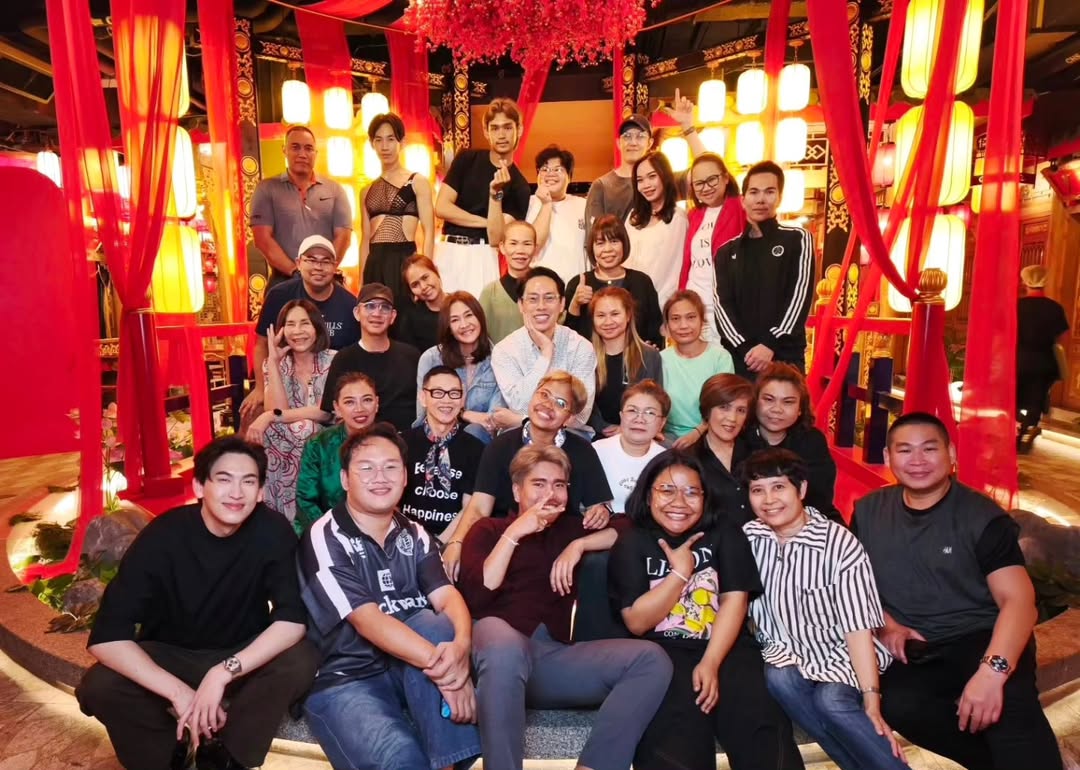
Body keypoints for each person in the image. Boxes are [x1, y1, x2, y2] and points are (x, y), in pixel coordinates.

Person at [76, 437, 318, 770]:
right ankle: (167, 757)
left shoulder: (272, 531)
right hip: (171, 653)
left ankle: (227, 758)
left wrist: (222, 673)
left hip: (238, 652)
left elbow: (291, 620)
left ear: (261, 492)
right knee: (100, 685)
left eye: (248, 482)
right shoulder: (163, 536)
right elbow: (107, 637)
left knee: (300, 659)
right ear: (199, 486)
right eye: (224, 479)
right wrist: (179, 693)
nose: (237, 493)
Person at [852, 412, 1063, 770]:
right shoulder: (869, 511)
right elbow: (853, 585)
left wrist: (992, 672)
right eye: (905, 450)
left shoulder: (981, 517)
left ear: (951, 454)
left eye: (929, 449)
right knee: (900, 704)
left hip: (981, 636)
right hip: (915, 646)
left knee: (1008, 708)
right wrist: (887, 626)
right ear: (888, 457)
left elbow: (1019, 601)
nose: (917, 460)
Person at [458, 444, 673, 770]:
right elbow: (479, 594)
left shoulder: (571, 528)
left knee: (651, 660)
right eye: (539, 484)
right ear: (516, 491)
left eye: (559, 485)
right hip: (496, 653)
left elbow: (629, 528)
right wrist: (516, 531)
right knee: (502, 643)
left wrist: (579, 544)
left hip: (549, 658)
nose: (550, 493)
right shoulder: (488, 530)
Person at [297, 423, 481, 770]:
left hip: (408, 667)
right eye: (366, 468)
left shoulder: (415, 532)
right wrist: (448, 671)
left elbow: (447, 596)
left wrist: (461, 649)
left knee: (434, 623)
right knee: (401, 759)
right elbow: (367, 620)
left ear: (405, 476)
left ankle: (450, 763)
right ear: (345, 479)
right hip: (347, 677)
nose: (380, 477)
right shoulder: (325, 536)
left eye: (391, 467)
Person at [608, 451, 803, 770]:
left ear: (705, 496)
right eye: (667, 490)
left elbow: (735, 600)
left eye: (691, 492)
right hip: (661, 654)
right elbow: (637, 622)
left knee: (760, 725)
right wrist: (680, 574)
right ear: (648, 494)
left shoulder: (724, 531)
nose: (679, 502)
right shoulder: (633, 541)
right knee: (675, 740)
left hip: (726, 648)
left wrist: (711, 662)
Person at [742, 449, 906, 770]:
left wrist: (872, 700)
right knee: (778, 678)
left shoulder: (838, 544)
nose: (769, 500)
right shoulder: (750, 538)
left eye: (779, 487)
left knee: (830, 701)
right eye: (757, 490)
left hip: (842, 654)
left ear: (801, 489)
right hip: (787, 654)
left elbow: (858, 628)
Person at [441, 371, 613, 582]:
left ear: (569, 418)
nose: (548, 405)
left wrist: (600, 511)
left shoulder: (582, 450)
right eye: (544, 394)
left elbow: (598, 507)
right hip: (505, 537)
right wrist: (456, 542)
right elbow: (479, 507)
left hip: (558, 543)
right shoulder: (501, 446)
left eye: (560, 403)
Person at [240, 234, 359, 422]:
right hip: (283, 377)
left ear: (335, 266)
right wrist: (260, 388)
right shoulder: (279, 296)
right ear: (299, 263)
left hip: (329, 385)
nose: (318, 267)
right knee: (250, 413)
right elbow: (262, 344)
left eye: (325, 261)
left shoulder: (349, 304)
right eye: (311, 260)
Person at [715, 160, 814, 378]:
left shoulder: (797, 239)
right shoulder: (726, 252)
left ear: (779, 197)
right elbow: (722, 307)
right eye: (754, 192)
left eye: (769, 192)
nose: (761, 199)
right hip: (740, 357)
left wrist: (769, 344)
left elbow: (799, 298)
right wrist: (746, 349)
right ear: (743, 200)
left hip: (784, 355)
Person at [245, 299, 335, 524]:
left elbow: (325, 413)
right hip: (288, 437)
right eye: (291, 324)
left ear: (316, 327)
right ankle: (277, 516)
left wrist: (270, 416)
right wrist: (274, 363)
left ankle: (304, 514)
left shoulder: (334, 360)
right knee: (274, 431)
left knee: (306, 428)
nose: (297, 331)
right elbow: (277, 410)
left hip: (327, 432)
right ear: (281, 331)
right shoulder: (275, 364)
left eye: (304, 323)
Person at [434, 98, 531, 298]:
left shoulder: (520, 186)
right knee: (441, 313)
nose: (501, 135)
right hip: (448, 249)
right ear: (486, 132)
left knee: (480, 313)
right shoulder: (467, 159)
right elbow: (441, 207)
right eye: (495, 128)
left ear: (519, 129)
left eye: (507, 127)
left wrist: (495, 195)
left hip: (484, 253)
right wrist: (486, 222)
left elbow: (496, 237)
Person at [491, 267, 598, 432]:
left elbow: (580, 414)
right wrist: (546, 354)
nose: (541, 306)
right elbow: (519, 406)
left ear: (562, 304)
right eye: (533, 299)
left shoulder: (580, 347)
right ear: (521, 305)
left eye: (549, 298)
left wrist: (520, 420)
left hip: (568, 435)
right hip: (520, 436)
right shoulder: (504, 350)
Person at [250, 124, 352, 287]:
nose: (302, 154)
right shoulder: (266, 189)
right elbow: (262, 239)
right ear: (284, 150)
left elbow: (344, 237)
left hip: (325, 281)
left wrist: (323, 271)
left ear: (316, 153)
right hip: (283, 280)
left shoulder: (335, 190)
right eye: (295, 147)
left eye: (308, 148)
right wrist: (296, 272)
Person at [320, 282, 421, 432]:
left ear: (393, 316)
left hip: (407, 437)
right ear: (357, 313)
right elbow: (333, 412)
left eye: (384, 307)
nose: (377, 313)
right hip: (360, 437)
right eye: (370, 306)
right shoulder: (344, 359)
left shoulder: (411, 356)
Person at [745, 363, 839, 522]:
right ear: (755, 402)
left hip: (805, 521)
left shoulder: (812, 440)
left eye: (788, 402)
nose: (777, 409)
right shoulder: (740, 439)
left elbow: (820, 498)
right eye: (768, 399)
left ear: (800, 409)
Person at [401, 366, 486, 539]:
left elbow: (470, 509)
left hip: (452, 541)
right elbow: (390, 501)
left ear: (462, 400)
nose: (447, 400)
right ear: (423, 397)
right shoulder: (401, 443)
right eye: (438, 393)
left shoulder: (476, 449)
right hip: (405, 538)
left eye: (454, 393)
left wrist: (440, 544)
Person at [416, 291, 511, 444]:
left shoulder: (498, 358)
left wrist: (461, 415)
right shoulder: (431, 358)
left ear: (480, 317)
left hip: (481, 441)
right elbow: (424, 412)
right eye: (455, 320)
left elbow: (493, 420)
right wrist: (464, 414)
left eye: (469, 315)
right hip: (437, 437)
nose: (464, 324)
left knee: (474, 431)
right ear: (448, 327)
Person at [360, 112, 435, 304]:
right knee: (375, 316)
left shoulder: (417, 182)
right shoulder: (366, 190)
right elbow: (365, 240)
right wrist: (361, 285)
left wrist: (425, 275)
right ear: (372, 144)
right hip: (375, 263)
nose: (385, 146)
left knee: (406, 316)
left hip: (405, 261)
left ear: (402, 142)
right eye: (379, 140)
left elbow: (429, 231)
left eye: (391, 139)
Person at [295, 372, 379, 533]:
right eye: (349, 402)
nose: (360, 409)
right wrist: (333, 535)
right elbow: (305, 500)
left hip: (377, 530)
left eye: (367, 400)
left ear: (377, 403)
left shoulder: (390, 443)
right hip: (324, 530)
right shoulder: (318, 444)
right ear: (337, 408)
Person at [564, 215, 664, 348]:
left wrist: (649, 350)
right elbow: (567, 338)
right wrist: (575, 304)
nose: (607, 249)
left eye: (614, 241)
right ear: (591, 248)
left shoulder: (642, 282)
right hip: (590, 360)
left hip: (635, 358)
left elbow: (655, 330)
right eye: (600, 243)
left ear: (624, 244)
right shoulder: (578, 283)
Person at [682, 153, 746, 342]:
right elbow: (688, 263)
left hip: (727, 308)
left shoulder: (740, 207)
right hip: (694, 306)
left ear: (726, 178)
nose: (706, 187)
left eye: (712, 179)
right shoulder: (694, 215)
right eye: (699, 183)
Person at [586, 286, 664, 437]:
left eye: (615, 314)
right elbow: (582, 403)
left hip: (638, 434)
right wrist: (605, 428)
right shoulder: (585, 354)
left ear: (628, 315)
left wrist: (627, 429)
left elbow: (655, 402)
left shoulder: (649, 355)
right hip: (595, 435)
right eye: (601, 315)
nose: (608, 321)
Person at [661, 291, 734, 444]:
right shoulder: (660, 359)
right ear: (667, 325)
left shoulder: (720, 357)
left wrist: (697, 433)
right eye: (675, 319)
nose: (683, 325)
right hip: (667, 438)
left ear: (702, 320)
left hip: (711, 434)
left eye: (691, 317)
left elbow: (724, 406)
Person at [625, 151, 689, 309]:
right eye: (640, 180)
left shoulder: (677, 218)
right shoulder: (633, 217)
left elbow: (670, 269)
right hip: (630, 303)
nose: (646, 185)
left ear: (664, 176)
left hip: (661, 304)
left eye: (652, 176)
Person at [592, 379, 668, 513]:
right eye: (632, 410)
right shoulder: (595, 452)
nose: (639, 419)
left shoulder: (666, 461)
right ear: (621, 416)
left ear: (662, 422)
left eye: (650, 413)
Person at [690, 373, 755, 526]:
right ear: (707, 410)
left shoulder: (756, 453)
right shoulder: (689, 460)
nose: (732, 418)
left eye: (741, 410)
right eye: (724, 408)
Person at [1017, 263, 1069, 452]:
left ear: (1025, 281)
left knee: (1012, 398)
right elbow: (1063, 337)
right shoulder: (1055, 308)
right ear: (1045, 281)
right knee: (1036, 400)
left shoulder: (1017, 306)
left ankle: (1016, 429)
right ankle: (1027, 432)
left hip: (1018, 360)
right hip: (1044, 361)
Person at [526, 144, 587, 282]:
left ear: (569, 177)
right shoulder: (528, 204)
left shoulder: (583, 206)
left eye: (558, 169)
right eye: (544, 169)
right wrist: (546, 203)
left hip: (575, 285)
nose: (550, 174)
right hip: (538, 285)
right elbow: (532, 246)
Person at [585, 113, 654, 228]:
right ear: (618, 143)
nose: (633, 142)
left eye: (640, 136)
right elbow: (594, 235)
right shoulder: (601, 186)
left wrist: (686, 127)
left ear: (650, 143)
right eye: (627, 136)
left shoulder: (658, 183)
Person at [478, 219, 537, 343]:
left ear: (535, 248)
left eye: (527, 244)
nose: (520, 250)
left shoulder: (545, 288)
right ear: (502, 247)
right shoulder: (490, 293)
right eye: (513, 243)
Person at [395, 254, 447, 353]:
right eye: (415, 285)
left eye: (425, 277)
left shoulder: (460, 305)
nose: (423, 287)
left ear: (436, 271)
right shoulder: (410, 319)